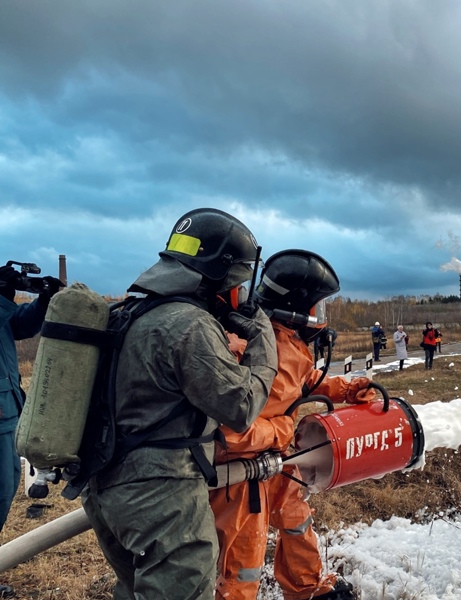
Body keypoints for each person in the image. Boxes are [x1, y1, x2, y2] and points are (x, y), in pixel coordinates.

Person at [81, 208, 279, 600]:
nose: (240, 295)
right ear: (217, 275)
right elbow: (241, 407)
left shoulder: (127, 313)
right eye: (238, 282)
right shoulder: (188, 324)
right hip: (161, 497)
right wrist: (263, 338)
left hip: (104, 488)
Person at [212, 249, 373, 600]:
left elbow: (302, 378)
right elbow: (227, 433)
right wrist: (282, 430)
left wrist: (347, 389)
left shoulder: (284, 342)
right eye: (318, 307)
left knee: (296, 518)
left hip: (272, 462)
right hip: (240, 474)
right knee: (243, 558)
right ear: (297, 306)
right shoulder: (255, 348)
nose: (321, 317)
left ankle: (307, 589)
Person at [0, 263, 62, 598]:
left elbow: (19, 326)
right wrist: (2, 296)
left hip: (7, 411)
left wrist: (43, 302)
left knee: (4, 489)